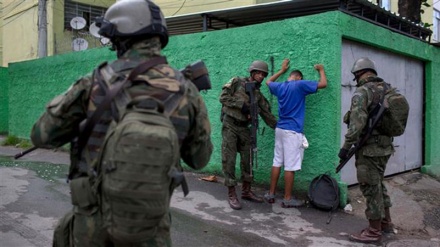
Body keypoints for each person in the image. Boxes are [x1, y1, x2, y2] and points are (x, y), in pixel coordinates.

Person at [30, 0, 213, 246]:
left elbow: (41, 135)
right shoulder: (187, 91)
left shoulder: (94, 83)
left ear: (120, 37)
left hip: (90, 228)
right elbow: (199, 159)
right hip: (151, 231)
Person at [339, 57, 395, 244]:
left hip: (369, 150)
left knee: (370, 187)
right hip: (385, 148)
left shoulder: (362, 92)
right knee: (378, 184)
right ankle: (385, 222)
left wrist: (345, 149)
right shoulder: (387, 90)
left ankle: (373, 231)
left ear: (358, 74)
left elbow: (356, 125)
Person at [263, 58, 327, 208]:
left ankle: (271, 194)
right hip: (292, 131)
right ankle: (287, 198)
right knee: (290, 166)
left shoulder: (280, 86)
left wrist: (282, 70)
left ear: (290, 75)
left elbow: (268, 82)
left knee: (277, 161)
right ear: (298, 77)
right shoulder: (300, 84)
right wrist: (321, 70)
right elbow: (323, 84)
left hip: (280, 129)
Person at [219, 60, 277, 210]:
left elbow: (266, 113)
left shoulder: (257, 95)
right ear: (252, 72)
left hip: (245, 128)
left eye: (263, 74)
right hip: (230, 125)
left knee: (248, 160)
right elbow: (223, 98)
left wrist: (280, 127)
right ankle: (232, 193)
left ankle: (246, 191)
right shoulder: (237, 82)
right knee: (229, 159)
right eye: (258, 73)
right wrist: (242, 106)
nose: (261, 76)